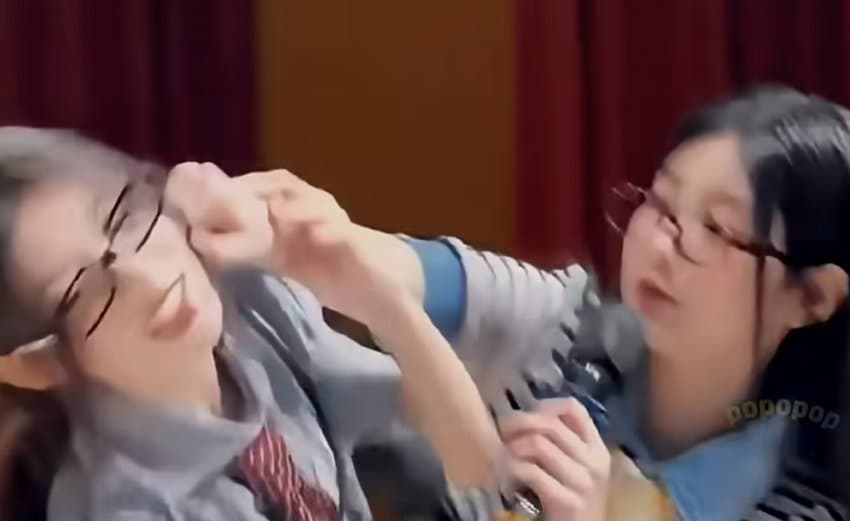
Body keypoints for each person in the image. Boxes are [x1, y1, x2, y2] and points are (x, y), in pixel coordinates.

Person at [298, 85, 850, 520]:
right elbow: (375, 263)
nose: (661, 246)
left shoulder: (803, 504)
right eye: (662, 204)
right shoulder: (563, 328)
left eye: (715, 228)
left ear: (812, 297)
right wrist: (319, 239)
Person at [0, 127, 517, 521]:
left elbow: (459, 456)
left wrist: (376, 297)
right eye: (78, 292)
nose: (151, 281)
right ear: (35, 363)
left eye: (122, 217)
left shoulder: (251, 309)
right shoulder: (127, 507)